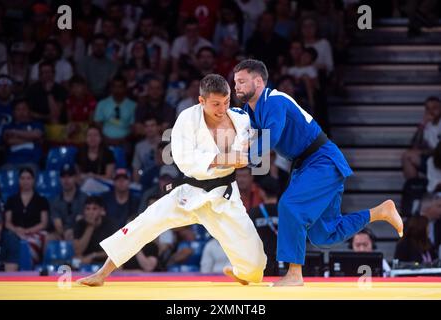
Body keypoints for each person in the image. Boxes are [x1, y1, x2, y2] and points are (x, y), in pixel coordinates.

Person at [76, 74, 266, 286]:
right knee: (145, 223)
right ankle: (102, 273)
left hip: (224, 196)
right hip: (190, 193)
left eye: (226, 102)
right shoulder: (187, 119)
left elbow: (257, 143)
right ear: (201, 101)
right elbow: (184, 159)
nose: (222, 109)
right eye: (216, 104)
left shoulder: (239, 118)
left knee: (256, 267)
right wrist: (225, 158)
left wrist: (250, 153)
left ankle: (241, 271)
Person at [233, 59, 404, 286]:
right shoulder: (249, 111)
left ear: (258, 81)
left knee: (289, 206)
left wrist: (242, 158)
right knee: (324, 235)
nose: (237, 87)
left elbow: (271, 138)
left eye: (242, 81)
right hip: (307, 165)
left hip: (322, 161)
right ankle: (380, 212)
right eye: (235, 82)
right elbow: (246, 138)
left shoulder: (274, 100)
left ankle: (294, 274)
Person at [4, 167, 49, 264]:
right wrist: (17, 230)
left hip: (35, 233)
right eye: (22, 178)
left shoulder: (42, 200)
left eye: (28, 178)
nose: (25, 181)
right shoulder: (11, 200)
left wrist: (28, 231)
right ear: (19, 180)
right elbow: (7, 223)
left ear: (33, 180)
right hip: (15, 233)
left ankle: (29, 270)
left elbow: (43, 223)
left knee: (31, 243)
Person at [73, 196, 118, 266]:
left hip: (105, 261)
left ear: (101, 210)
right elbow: (78, 251)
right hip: (85, 261)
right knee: (75, 260)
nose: (91, 212)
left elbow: (114, 251)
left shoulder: (110, 224)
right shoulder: (80, 224)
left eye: (94, 209)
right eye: (87, 209)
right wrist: (90, 226)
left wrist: (93, 255)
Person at [249, 175, 280, 276]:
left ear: (262, 192)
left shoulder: (254, 213)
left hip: (260, 261)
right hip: (283, 259)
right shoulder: (285, 211)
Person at [49, 165, 87, 241]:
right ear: (60, 179)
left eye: (70, 176)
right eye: (63, 177)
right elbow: (58, 224)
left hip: (80, 234)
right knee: (49, 238)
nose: (66, 180)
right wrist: (63, 233)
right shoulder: (55, 201)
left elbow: (80, 222)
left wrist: (72, 232)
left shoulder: (85, 198)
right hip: (62, 234)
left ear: (75, 178)